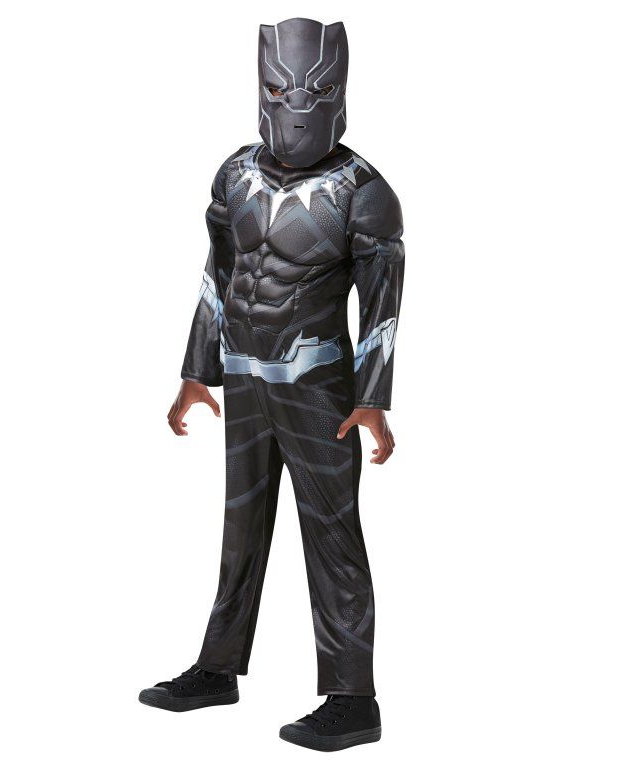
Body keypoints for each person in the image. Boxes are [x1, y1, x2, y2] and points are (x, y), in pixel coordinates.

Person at [140, 18, 404, 752]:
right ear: (262, 88)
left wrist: (372, 398)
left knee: (333, 536)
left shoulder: (365, 192)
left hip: (319, 388)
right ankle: (217, 669)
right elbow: (218, 276)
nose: (296, 105)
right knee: (241, 529)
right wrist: (197, 371)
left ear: (338, 91)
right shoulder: (234, 175)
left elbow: (384, 306)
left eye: (313, 90)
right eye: (282, 89)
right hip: (245, 377)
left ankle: (353, 699)